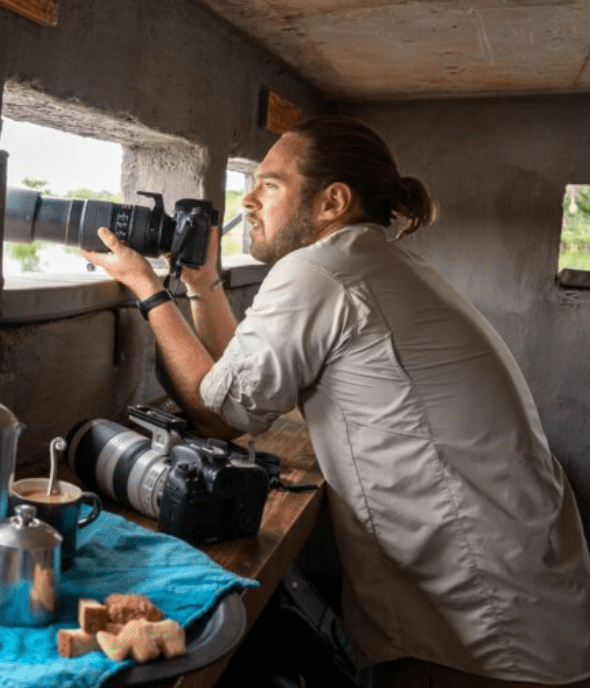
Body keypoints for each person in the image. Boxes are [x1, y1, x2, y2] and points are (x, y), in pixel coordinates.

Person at [82, 116, 590, 687]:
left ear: (332, 202)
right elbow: (239, 385)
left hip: (479, 628)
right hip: (529, 596)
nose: (247, 199)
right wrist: (202, 285)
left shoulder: (320, 270)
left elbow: (218, 415)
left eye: (269, 185)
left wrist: (147, 289)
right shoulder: (370, 260)